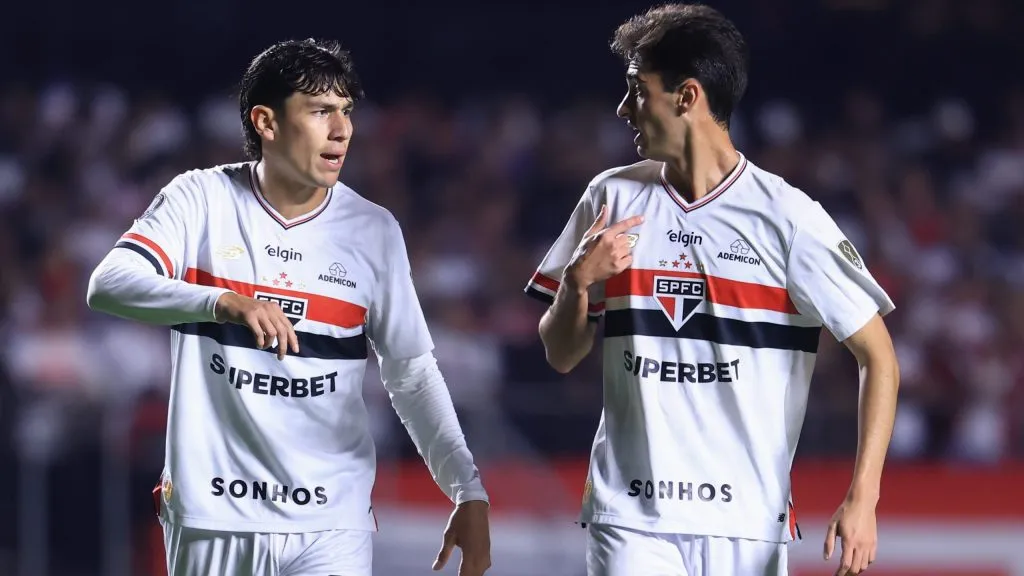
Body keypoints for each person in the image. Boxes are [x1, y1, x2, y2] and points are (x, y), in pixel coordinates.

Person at [87, 38, 491, 576]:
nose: (342, 130)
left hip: (332, 521)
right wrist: (221, 301)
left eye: (346, 111)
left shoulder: (374, 230)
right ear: (266, 122)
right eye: (320, 111)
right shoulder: (200, 198)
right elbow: (109, 283)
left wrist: (467, 488)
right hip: (215, 513)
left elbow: (412, 373)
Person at [523, 4, 900, 576]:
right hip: (630, 514)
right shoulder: (610, 198)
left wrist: (863, 499)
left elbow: (879, 358)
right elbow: (561, 354)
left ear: (687, 96)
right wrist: (577, 283)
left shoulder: (788, 219)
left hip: (746, 521)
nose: (624, 108)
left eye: (637, 90)